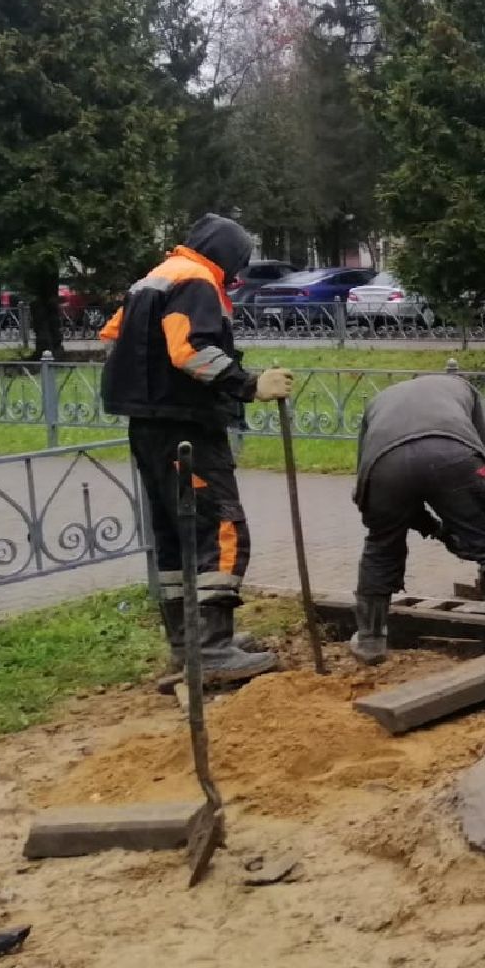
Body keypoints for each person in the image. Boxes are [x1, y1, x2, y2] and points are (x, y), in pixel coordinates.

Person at [100, 214, 293, 683]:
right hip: (185, 427)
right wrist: (248, 384)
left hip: (148, 427)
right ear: (228, 257)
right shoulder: (198, 279)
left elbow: (113, 336)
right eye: (237, 268)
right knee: (221, 530)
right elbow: (190, 351)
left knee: (175, 537)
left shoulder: (153, 278)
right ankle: (212, 652)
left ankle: (188, 646)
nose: (236, 278)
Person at [348, 373, 485, 664]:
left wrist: (436, 530)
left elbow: (367, 477)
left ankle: (370, 642)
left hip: (384, 467)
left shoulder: (379, 400)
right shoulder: (465, 388)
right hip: (453, 453)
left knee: (381, 547)